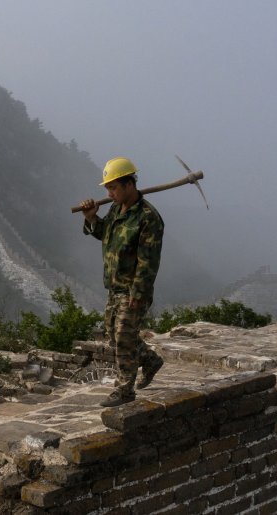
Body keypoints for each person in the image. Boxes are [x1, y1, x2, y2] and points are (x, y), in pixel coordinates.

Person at [79, 157, 166, 407]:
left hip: (132, 290)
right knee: (114, 337)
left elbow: (148, 261)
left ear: (130, 184)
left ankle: (124, 390)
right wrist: (92, 218)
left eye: (114, 187)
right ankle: (150, 360)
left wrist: (138, 293)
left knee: (124, 339)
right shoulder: (117, 210)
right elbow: (105, 234)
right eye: (108, 188)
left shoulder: (148, 218)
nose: (110, 193)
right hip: (114, 288)